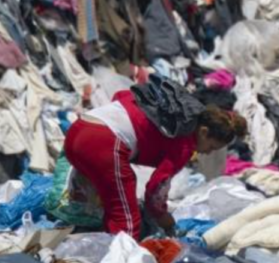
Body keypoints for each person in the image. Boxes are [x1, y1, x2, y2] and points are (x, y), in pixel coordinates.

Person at [64, 89, 247, 239]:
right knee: (127, 223)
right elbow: (155, 192)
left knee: (109, 194)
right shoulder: (184, 143)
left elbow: (120, 95)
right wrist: (166, 220)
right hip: (102, 143)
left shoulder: (169, 112)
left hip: (76, 132)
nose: (207, 152)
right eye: (211, 147)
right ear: (204, 132)